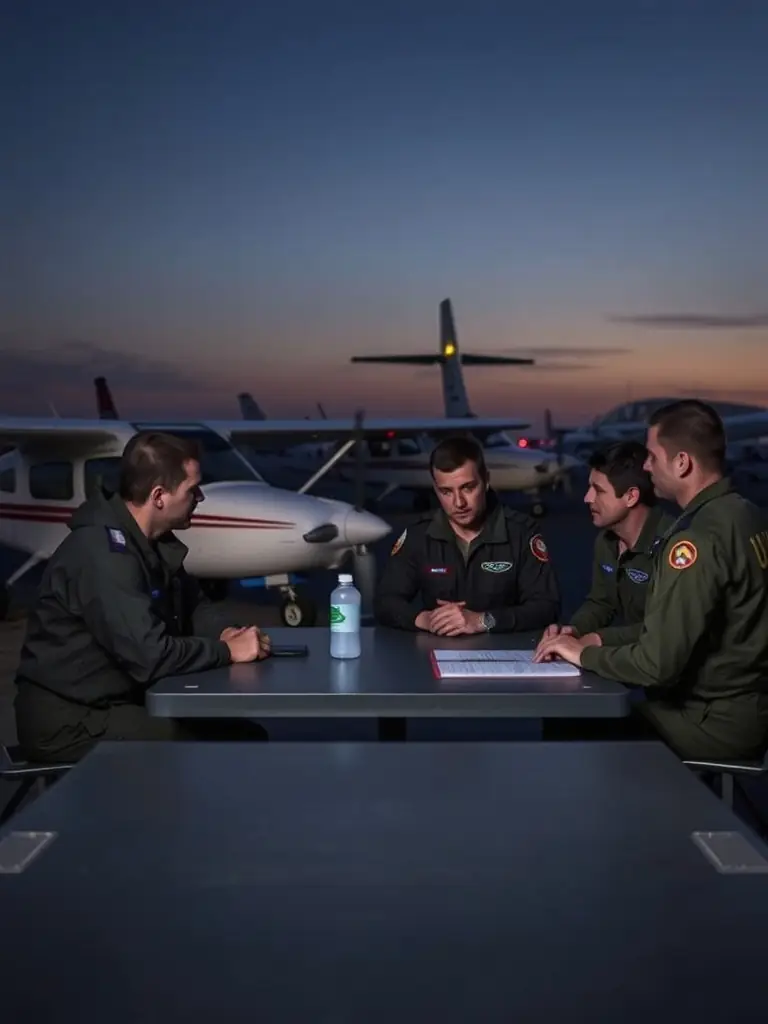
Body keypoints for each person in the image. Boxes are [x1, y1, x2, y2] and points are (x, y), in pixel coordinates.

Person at [14, 431, 271, 763]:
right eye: (192, 490)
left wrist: (225, 633)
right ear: (159, 496)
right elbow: (150, 657)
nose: (200, 498)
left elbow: (195, 608)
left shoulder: (149, 543)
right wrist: (225, 651)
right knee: (214, 746)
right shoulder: (104, 555)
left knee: (244, 736)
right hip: (69, 721)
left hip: (112, 703)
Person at [535, 400, 768, 761]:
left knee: (574, 720)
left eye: (653, 457)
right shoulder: (748, 514)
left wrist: (585, 653)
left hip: (711, 721)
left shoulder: (693, 542)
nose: (645, 466)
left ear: (682, 463)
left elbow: (655, 665)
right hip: (749, 708)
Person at [374, 435, 560, 634]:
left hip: (504, 651)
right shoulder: (419, 534)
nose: (459, 503)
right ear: (435, 489)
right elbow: (385, 601)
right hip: (437, 649)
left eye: (468, 488)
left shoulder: (521, 532)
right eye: (446, 492)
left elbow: (547, 606)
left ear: (486, 481)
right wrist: (424, 619)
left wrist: (483, 620)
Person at [534, 441, 673, 657]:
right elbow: (602, 602)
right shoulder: (607, 541)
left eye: (598, 490)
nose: (587, 498)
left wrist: (598, 639)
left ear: (631, 496)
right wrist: (574, 632)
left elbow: (666, 626)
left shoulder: (673, 545)